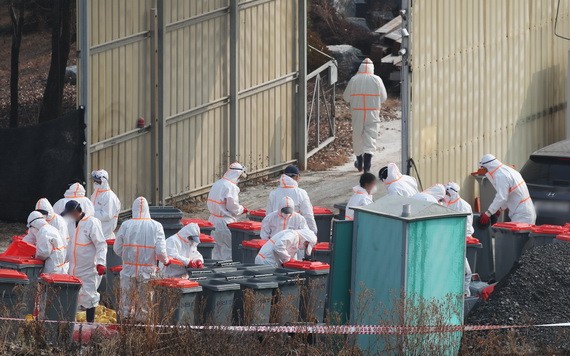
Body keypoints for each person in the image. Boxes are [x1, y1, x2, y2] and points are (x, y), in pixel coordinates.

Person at [114, 197, 170, 320]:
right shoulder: (156, 226)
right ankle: (141, 331)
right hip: (147, 271)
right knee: (144, 304)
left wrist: (128, 257)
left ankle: (124, 329)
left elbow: (117, 248)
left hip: (128, 269)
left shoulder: (126, 225)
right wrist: (166, 261)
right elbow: (161, 252)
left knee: (125, 302)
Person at [61, 200, 106, 323]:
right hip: (74, 267)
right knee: (73, 296)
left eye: (70, 213)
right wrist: (63, 260)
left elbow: (101, 244)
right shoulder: (71, 224)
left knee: (89, 296)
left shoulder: (92, 223)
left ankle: (90, 324)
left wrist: (101, 262)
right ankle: (71, 325)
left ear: (76, 212)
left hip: (89, 268)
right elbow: (70, 245)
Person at [343, 58, 388, 173]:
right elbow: (383, 98)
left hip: (357, 112)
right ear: (372, 68)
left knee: (357, 136)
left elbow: (346, 97)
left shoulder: (354, 79)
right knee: (371, 137)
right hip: (372, 112)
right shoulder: (377, 79)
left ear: (360, 68)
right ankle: (367, 166)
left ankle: (359, 162)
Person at [478, 154, 536, 225]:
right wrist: (499, 209)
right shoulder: (507, 170)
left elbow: (502, 197)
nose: (485, 171)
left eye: (485, 169)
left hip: (522, 215)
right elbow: (511, 194)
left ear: (489, 166)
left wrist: (488, 213)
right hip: (526, 211)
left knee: (515, 236)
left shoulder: (501, 175)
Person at [207, 162, 248, 260]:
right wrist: (241, 209)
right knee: (228, 249)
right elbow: (232, 206)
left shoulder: (218, 183)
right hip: (225, 222)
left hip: (212, 220)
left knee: (216, 248)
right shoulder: (231, 187)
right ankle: (226, 270)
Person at [266, 165, 318, 234]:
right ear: (297, 176)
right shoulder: (301, 193)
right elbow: (308, 216)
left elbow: (268, 217)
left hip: (276, 237)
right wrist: (313, 233)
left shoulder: (273, 194)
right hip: (295, 238)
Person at [444, 182, 474, 297]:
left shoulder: (463, 206)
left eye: (447, 193)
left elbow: (467, 226)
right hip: (447, 243)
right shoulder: (444, 204)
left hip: (458, 243)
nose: (445, 195)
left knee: (466, 272)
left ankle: (465, 295)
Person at [90, 170, 121, 240]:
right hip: (95, 234)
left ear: (104, 181)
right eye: (94, 181)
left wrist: (89, 213)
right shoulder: (95, 193)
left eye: (98, 181)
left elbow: (107, 215)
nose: (95, 183)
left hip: (105, 236)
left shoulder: (110, 197)